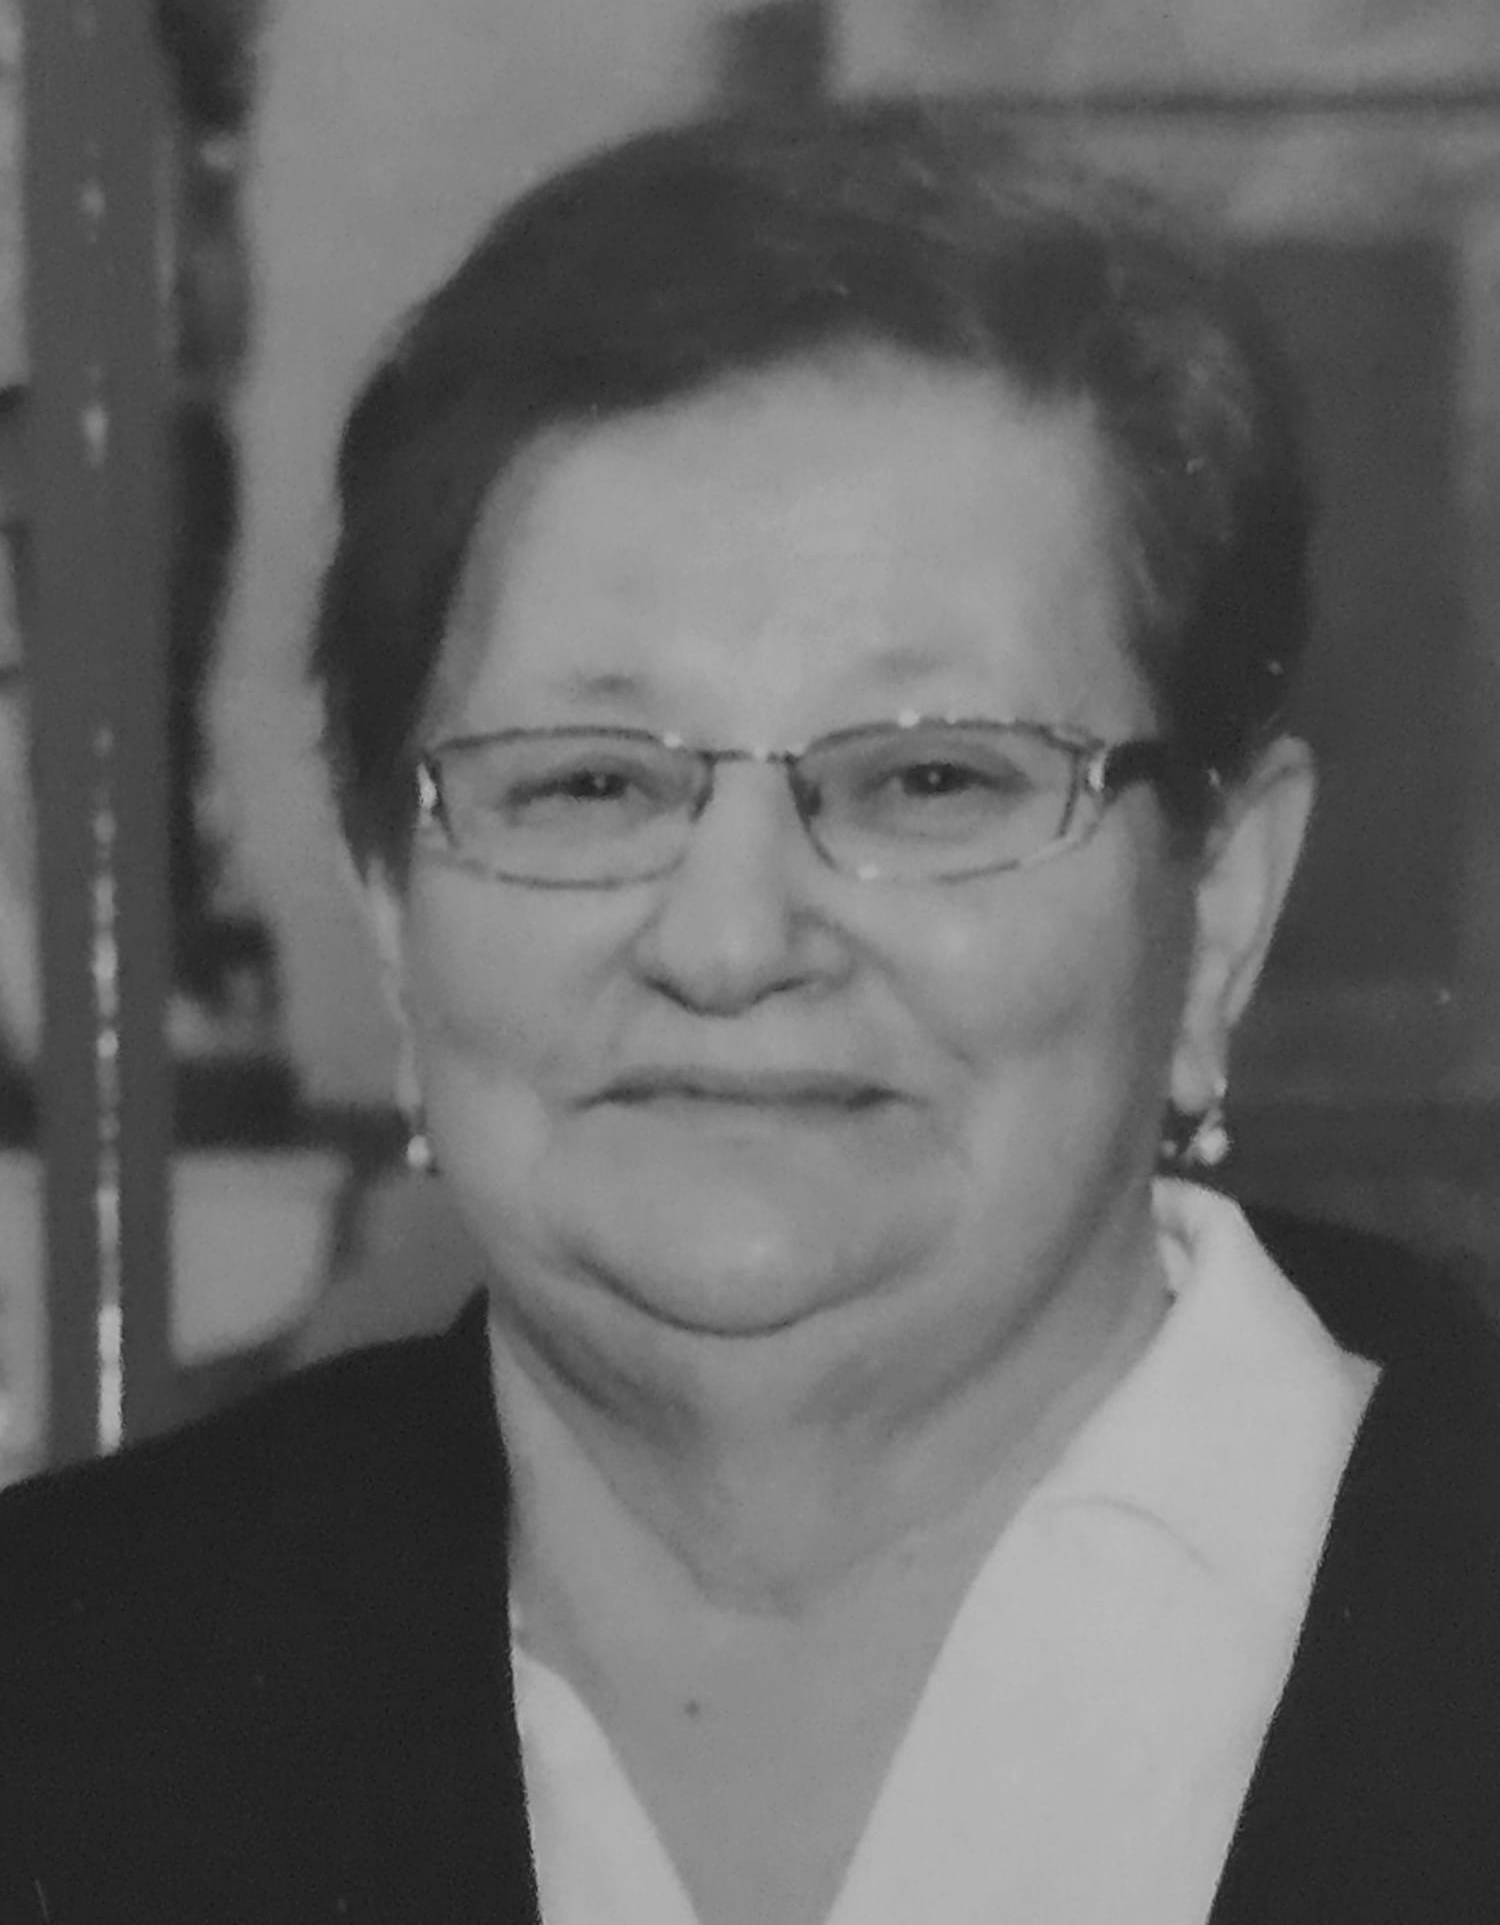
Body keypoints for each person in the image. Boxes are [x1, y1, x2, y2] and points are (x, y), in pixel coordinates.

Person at [4, 95, 1500, 1925]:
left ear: (1223, 912)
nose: (728, 942)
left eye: (932, 781)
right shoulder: (58, 1700)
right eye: (586, 785)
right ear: (393, 916)